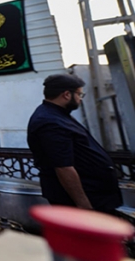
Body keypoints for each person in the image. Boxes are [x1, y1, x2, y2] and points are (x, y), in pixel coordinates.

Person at [27, 73, 123, 214]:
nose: (80, 99)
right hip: (81, 199)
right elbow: (63, 166)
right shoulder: (50, 122)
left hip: (95, 194)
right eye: (79, 94)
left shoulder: (58, 115)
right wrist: (83, 204)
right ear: (66, 94)